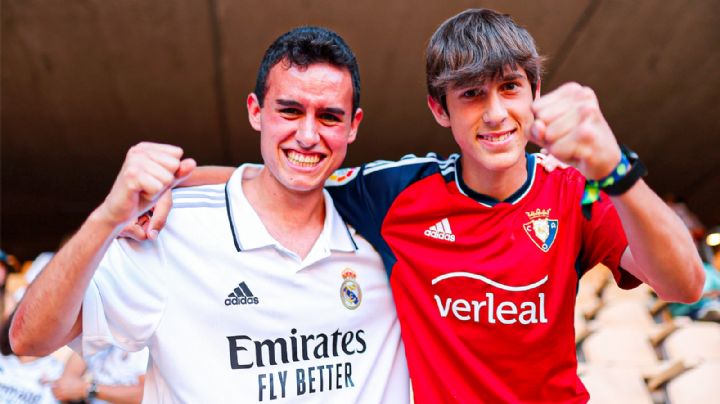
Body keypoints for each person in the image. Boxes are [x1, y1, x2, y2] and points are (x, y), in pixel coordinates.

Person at [155, 9, 705, 402]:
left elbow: (685, 286)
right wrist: (167, 187)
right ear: (440, 109)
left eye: (510, 87)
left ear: (534, 91)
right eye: (471, 94)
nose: (495, 113)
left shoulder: (575, 189)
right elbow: (289, 174)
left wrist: (617, 172)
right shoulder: (397, 193)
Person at [10, 27, 410, 402]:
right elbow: (29, 338)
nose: (308, 135)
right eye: (289, 111)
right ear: (256, 111)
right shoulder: (171, 228)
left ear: (353, 125)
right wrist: (107, 218)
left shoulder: (384, 223)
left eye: (329, 116)